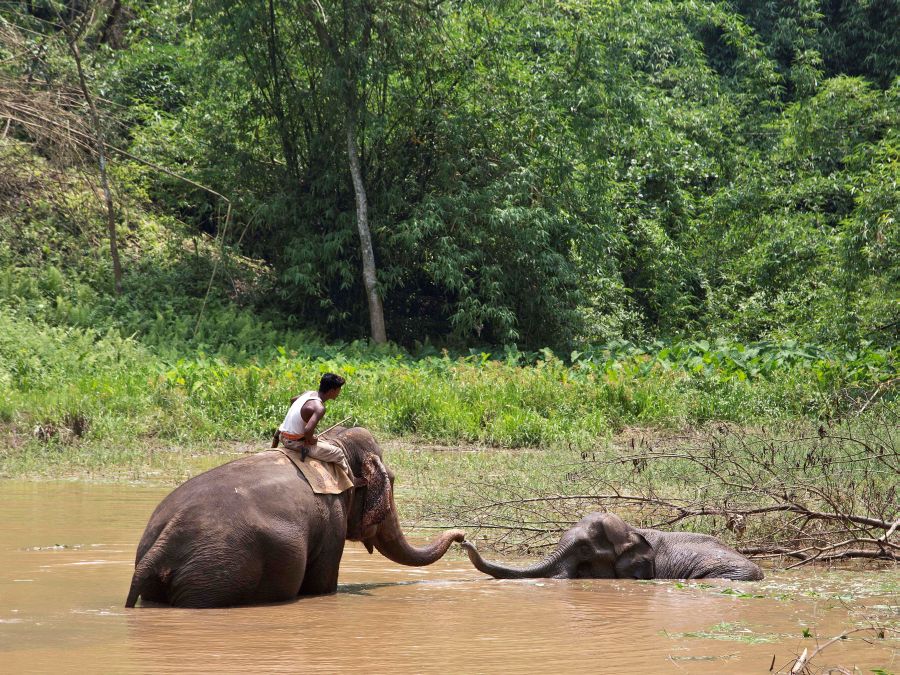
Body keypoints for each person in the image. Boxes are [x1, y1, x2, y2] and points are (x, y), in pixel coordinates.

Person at [275, 373, 350, 474]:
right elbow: (308, 430)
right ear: (332, 391)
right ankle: (352, 481)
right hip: (294, 443)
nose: (339, 393)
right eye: (339, 389)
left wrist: (297, 418)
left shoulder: (308, 393)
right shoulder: (319, 408)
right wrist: (312, 439)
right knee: (338, 453)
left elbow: (292, 400)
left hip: (282, 436)